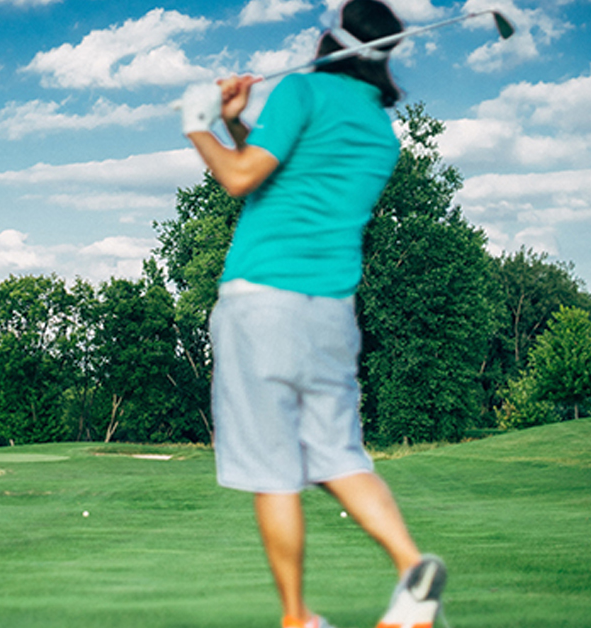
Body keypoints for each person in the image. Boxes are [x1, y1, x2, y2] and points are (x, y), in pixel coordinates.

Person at [178, 1, 447, 627]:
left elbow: (242, 179)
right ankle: (413, 571)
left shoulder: (301, 91)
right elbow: (280, 171)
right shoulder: (379, 132)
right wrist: (237, 123)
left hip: (260, 304)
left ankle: (297, 618)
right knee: (338, 455)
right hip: (330, 314)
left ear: (331, 41)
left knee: (273, 471)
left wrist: (199, 127)